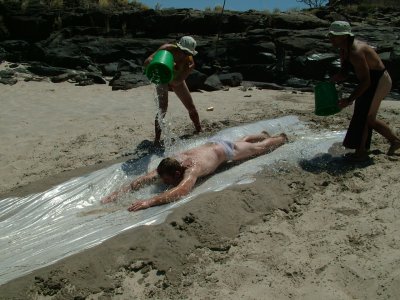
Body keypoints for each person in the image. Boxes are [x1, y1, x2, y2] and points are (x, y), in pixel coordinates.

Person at [101, 131, 288, 211]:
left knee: (259, 149)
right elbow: (141, 180)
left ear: (177, 174)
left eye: (166, 180)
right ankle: (260, 135)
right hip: (213, 145)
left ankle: (280, 138)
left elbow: (182, 191)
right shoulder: (170, 164)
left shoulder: (192, 169)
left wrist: (149, 202)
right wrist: (116, 194)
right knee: (240, 141)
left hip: (224, 151)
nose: (163, 182)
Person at [328, 21, 400, 162]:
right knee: (364, 115)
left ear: (344, 36)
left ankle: (362, 151)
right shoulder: (343, 49)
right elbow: (344, 72)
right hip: (369, 81)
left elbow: (366, 81)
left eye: (334, 36)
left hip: (379, 81)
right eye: (330, 35)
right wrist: (332, 81)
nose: (331, 38)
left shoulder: (356, 51)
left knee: (366, 117)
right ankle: (393, 141)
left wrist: (349, 100)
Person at [144, 36, 202, 146]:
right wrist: (154, 61)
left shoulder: (190, 63)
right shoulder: (166, 49)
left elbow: (176, 82)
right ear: (177, 46)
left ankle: (199, 129)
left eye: (188, 53)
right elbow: (146, 62)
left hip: (175, 78)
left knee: (191, 107)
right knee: (162, 108)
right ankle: (157, 140)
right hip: (161, 76)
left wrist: (173, 69)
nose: (185, 54)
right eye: (183, 51)